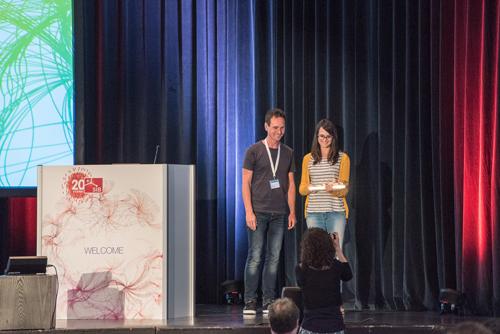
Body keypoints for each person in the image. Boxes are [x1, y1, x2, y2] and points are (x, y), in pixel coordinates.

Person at [242, 108, 297, 315]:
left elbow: (291, 184)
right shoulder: (254, 151)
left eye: (282, 128)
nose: (279, 131)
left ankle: (268, 301)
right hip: (259, 211)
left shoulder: (288, 152)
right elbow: (245, 183)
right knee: (255, 256)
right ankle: (249, 300)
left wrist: (292, 211)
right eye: (275, 127)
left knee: (273, 258)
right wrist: (249, 211)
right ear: (266, 126)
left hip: (280, 213)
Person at [299, 119, 350, 248]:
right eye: (322, 136)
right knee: (317, 254)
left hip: (336, 212)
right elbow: (302, 189)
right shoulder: (307, 159)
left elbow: (345, 190)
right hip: (313, 213)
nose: (325, 139)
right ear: (317, 137)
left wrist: (333, 189)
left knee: (335, 253)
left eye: (328, 136)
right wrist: (311, 188)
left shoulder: (343, 158)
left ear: (333, 138)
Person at [296, 228, 353, 334]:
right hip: (335, 326)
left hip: (310, 326)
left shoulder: (301, 269)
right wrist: (338, 248)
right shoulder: (336, 266)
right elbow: (348, 275)